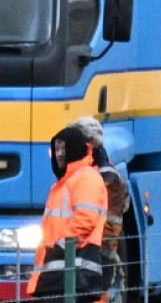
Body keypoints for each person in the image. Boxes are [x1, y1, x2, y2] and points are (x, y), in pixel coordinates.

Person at [27, 126, 108, 303]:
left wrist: (58, 247)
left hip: (74, 273)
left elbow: (85, 220)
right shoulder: (65, 183)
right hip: (61, 274)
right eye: (56, 149)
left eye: (64, 148)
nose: (60, 154)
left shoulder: (86, 177)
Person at [69, 117, 130, 303]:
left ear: (89, 145)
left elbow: (104, 227)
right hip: (87, 256)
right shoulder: (89, 172)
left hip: (96, 257)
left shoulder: (106, 177)